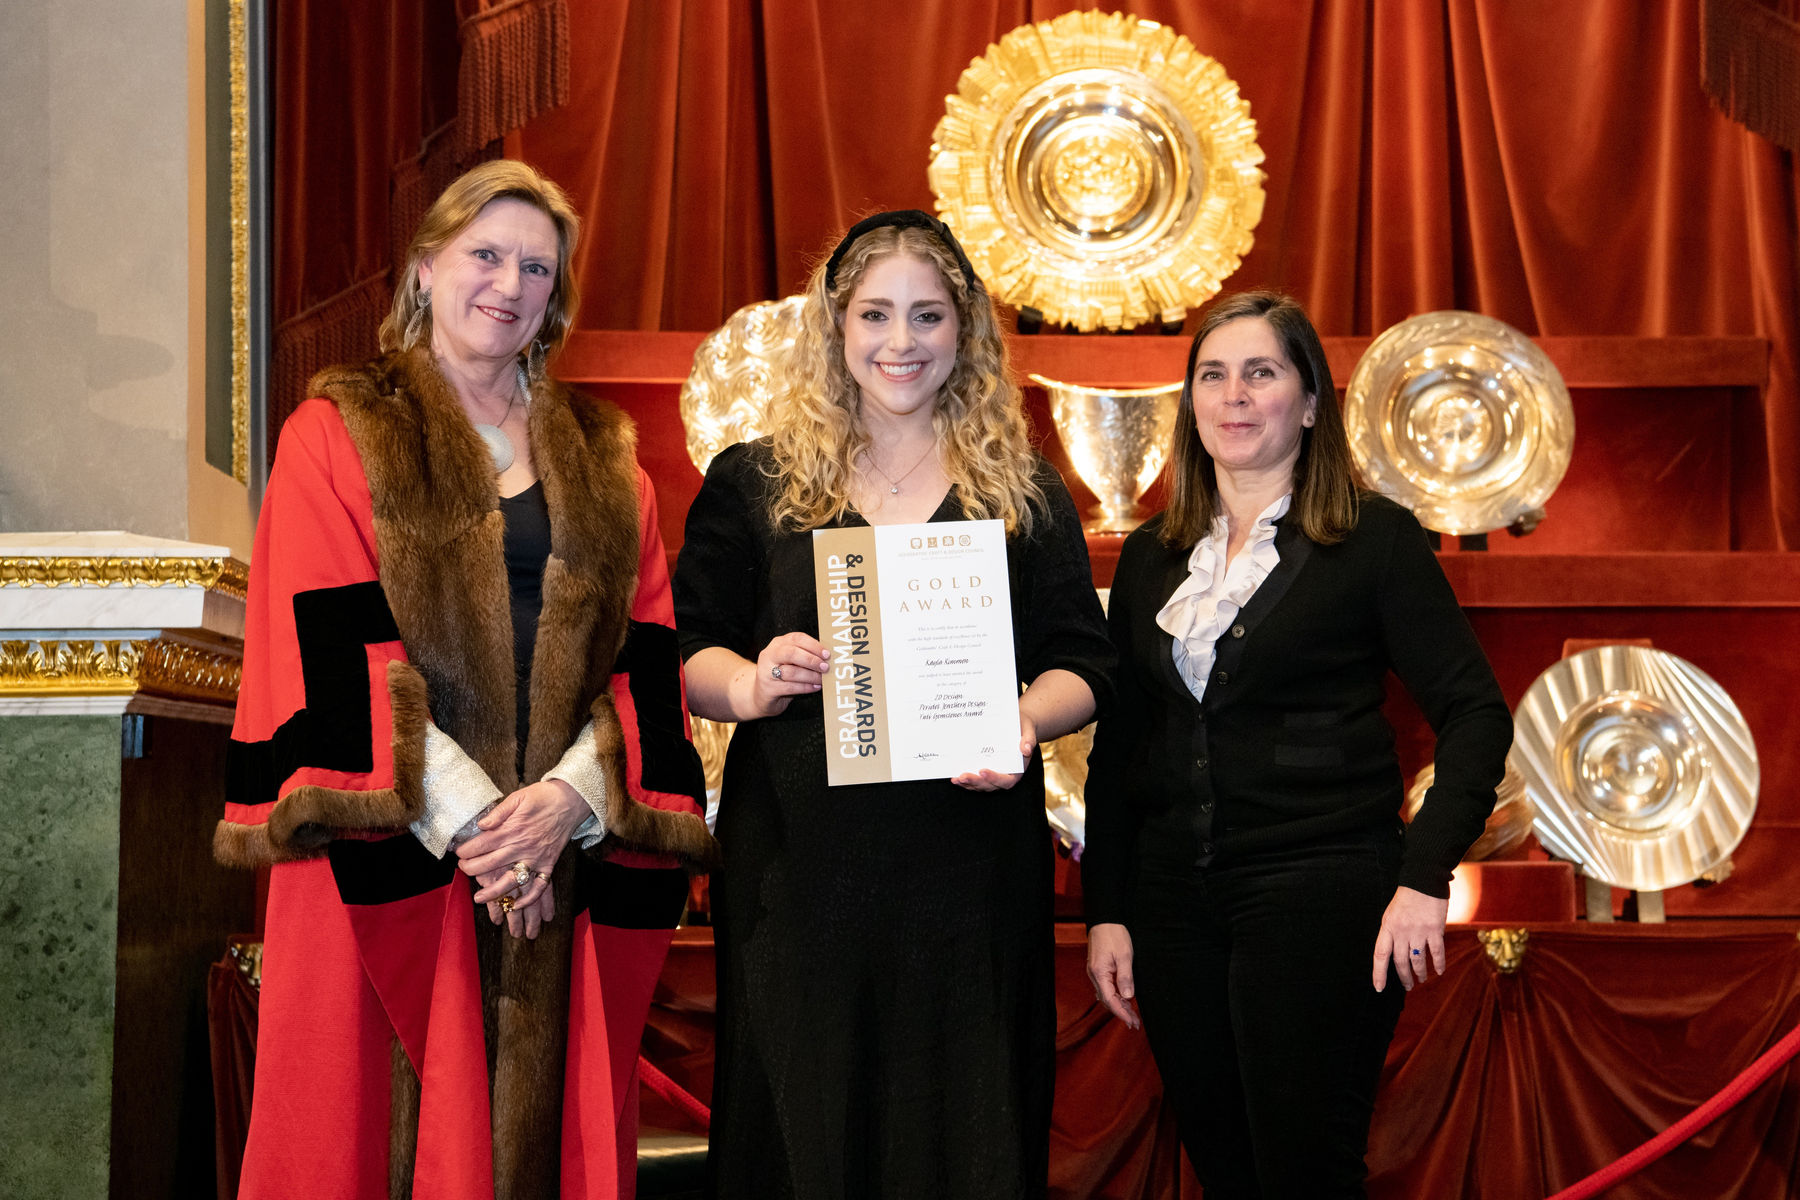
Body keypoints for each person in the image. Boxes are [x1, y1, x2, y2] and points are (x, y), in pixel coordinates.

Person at [214, 159, 717, 1199]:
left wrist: (566, 805)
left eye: (537, 267)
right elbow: (325, 647)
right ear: (425, 266)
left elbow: (646, 656)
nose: (509, 283)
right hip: (388, 845)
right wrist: (484, 829)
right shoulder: (335, 435)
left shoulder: (606, 460)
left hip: (561, 855)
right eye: (486, 254)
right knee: (361, 1136)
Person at [673, 210, 1114, 1199]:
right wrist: (750, 683)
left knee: (962, 1130)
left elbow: (1086, 664)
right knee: (803, 1129)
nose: (900, 342)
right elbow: (685, 649)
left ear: (965, 328)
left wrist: (1026, 721)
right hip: (798, 869)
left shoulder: (1023, 490)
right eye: (875, 314)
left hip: (969, 869)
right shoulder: (755, 481)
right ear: (836, 325)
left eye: (927, 315)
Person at [1082, 290, 1512, 1198]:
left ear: (1310, 401)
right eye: (1213, 376)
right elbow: (1122, 746)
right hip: (1172, 906)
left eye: (1261, 373)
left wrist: (1424, 877)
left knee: (1305, 1172)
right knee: (1228, 1171)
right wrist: (1108, 910)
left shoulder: (1375, 539)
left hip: (1322, 889)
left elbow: (1476, 713)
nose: (1234, 396)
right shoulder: (1154, 554)